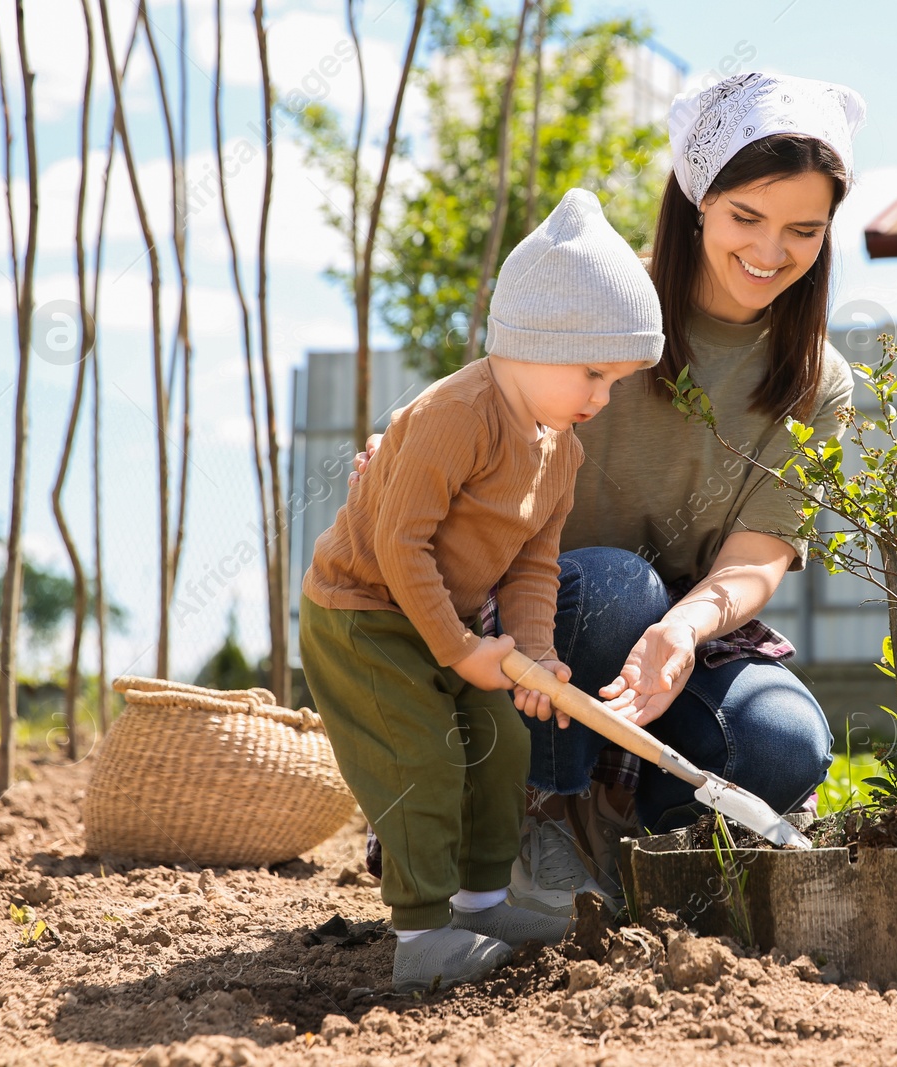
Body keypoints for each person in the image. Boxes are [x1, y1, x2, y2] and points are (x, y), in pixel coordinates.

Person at [354, 72, 867, 912]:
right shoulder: (606, 298)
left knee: (785, 742)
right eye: (746, 218)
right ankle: (528, 824)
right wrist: (406, 448)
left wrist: (684, 625)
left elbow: (758, 553)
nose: (771, 252)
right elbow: (481, 397)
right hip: (537, 623)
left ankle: (632, 843)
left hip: (663, 646)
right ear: (698, 200)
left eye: (803, 230)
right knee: (619, 585)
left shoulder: (815, 381)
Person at [298, 189, 661, 993]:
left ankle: (485, 900)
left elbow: (533, 562)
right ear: (533, 341)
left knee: (501, 744)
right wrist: (461, 650)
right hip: (363, 613)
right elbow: (400, 543)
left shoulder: (557, 449)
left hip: (446, 621)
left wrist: (532, 653)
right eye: (594, 373)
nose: (602, 399)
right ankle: (422, 931)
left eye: (616, 382)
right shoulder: (455, 415)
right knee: (423, 757)